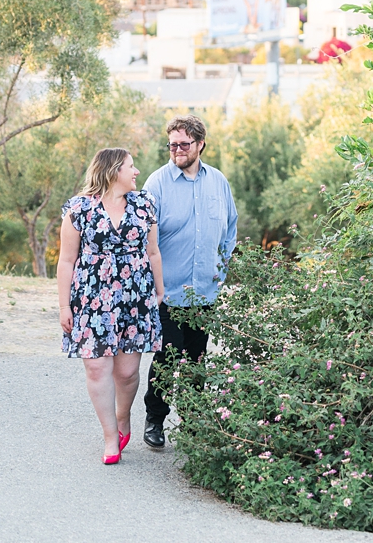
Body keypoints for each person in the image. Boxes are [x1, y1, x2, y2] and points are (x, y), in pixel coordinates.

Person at [57, 147, 163, 465]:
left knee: (128, 372)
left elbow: (153, 252)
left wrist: (159, 292)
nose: (136, 171)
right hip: (90, 297)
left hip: (135, 297)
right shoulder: (79, 209)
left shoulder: (144, 205)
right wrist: (64, 306)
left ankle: (122, 417)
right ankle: (109, 438)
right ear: (114, 170)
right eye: (131, 166)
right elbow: (66, 260)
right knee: (96, 366)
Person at [140, 114, 238, 450]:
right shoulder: (156, 183)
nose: (178, 150)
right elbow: (142, 237)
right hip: (167, 292)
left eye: (184, 144)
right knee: (168, 356)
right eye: (172, 145)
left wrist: (220, 272)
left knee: (197, 359)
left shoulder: (218, 182)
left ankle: (195, 421)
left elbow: (230, 229)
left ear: (200, 145)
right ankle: (155, 419)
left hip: (205, 292)